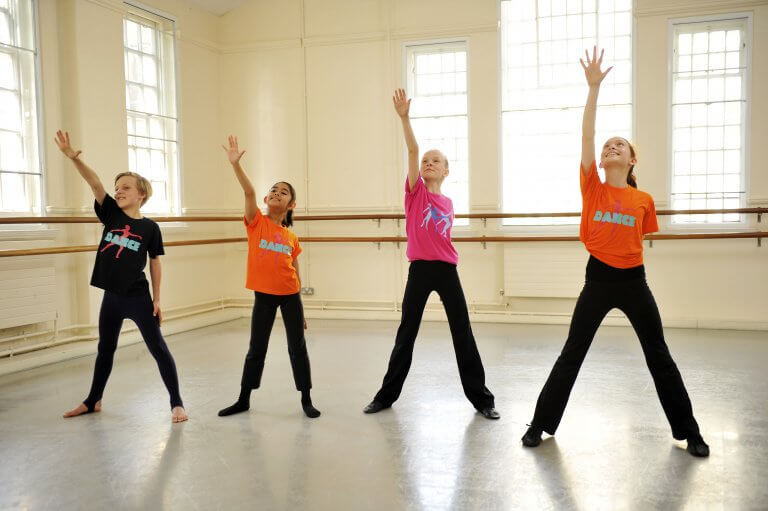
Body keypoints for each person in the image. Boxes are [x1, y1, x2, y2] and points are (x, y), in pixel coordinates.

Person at [520, 49, 708, 457]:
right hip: (598, 280)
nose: (610, 148)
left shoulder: (643, 199)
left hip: (634, 282)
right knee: (572, 352)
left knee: (658, 354)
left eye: (619, 145)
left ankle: (690, 431)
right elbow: (587, 135)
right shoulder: (593, 186)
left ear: (632, 158)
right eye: (608, 146)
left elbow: (641, 239)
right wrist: (593, 89)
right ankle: (540, 424)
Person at [363, 89, 499, 420]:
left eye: (435, 160)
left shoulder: (448, 203)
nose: (428, 163)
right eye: (426, 161)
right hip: (420, 270)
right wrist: (404, 118)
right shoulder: (415, 193)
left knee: (462, 333)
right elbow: (412, 149)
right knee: (406, 333)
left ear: (447, 170)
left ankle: (482, 400)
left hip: (447, 270)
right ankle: (385, 396)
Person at [55, 130, 188, 423]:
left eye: (126, 187)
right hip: (112, 297)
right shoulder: (112, 215)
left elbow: (155, 262)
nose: (118, 191)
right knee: (106, 348)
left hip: (138, 297)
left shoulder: (150, 228)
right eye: (117, 188)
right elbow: (95, 183)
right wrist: (73, 159)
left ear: (141, 194)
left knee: (158, 348)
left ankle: (176, 403)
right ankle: (93, 400)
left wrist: (157, 299)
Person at [217, 136, 320, 419]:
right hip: (263, 296)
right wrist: (237, 166)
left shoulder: (290, 236)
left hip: (290, 296)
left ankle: (306, 399)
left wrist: (300, 306)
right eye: (273, 190)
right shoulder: (256, 223)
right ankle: (243, 398)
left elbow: (295, 268)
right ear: (265, 199)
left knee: (297, 347)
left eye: (284, 192)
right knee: (256, 348)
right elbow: (248, 193)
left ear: (292, 204)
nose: (277, 193)